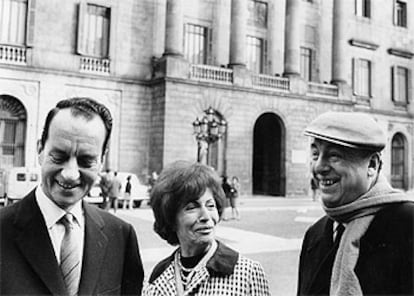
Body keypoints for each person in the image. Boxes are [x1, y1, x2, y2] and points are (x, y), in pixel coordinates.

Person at [0, 97, 144, 295]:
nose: (70, 173)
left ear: (102, 160)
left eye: (86, 161)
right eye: (59, 157)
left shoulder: (120, 235)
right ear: (40, 150)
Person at [297, 111, 414, 296]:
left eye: (334, 156)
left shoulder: (407, 225)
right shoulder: (315, 234)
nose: (319, 166)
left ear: (372, 165)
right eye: (315, 154)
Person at [143, 161, 270, 296]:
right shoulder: (157, 278)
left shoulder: (247, 274)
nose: (206, 216)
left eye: (210, 206)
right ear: (171, 219)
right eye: (192, 208)